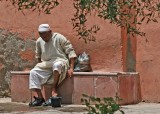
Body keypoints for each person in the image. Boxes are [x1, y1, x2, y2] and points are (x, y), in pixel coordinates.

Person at [29, 24, 77, 107]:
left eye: (44, 33)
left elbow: (70, 51)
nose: (43, 36)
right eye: (40, 34)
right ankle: (40, 98)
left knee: (56, 65)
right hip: (46, 64)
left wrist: (71, 68)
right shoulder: (39, 41)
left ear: (50, 32)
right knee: (33, 72)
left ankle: (54, 90)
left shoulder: (59, 38)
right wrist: (39, 65)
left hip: (60, 61)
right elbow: (38, 56)